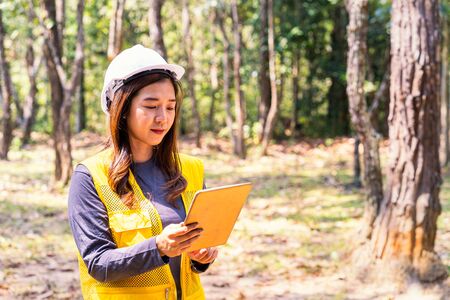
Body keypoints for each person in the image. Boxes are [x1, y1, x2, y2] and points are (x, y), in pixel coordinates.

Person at [68, 44, 218, 300]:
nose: (163, 118)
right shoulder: (90, 177)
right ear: (122, 109)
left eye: (170, 107)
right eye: (151, 106)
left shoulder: (191, 169)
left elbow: (193, 253)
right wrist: (158, 247)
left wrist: (202, 257)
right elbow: (98, 263)